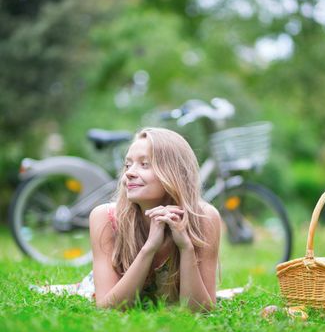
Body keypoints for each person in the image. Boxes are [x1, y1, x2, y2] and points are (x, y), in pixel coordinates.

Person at [30, 127, 223, 311]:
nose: (129, 173)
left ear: (175, 172)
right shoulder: (105, 218)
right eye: (128, 165)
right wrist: (149, 248)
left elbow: (199, 310)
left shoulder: (204, 218)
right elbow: (108, 307)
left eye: (144, 164)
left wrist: (186, 247)